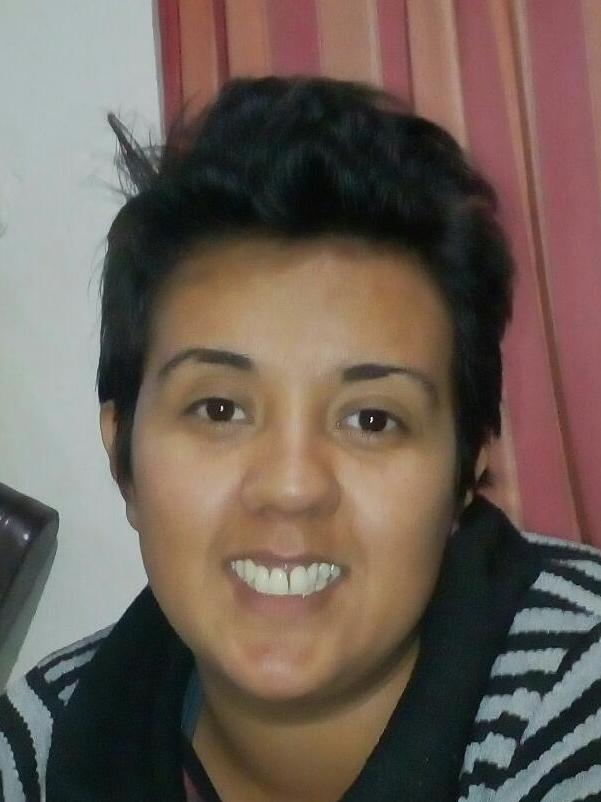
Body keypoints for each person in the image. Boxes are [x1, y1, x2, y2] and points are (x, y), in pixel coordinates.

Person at [1, 74, 600, 802]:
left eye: (372, 420)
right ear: (123, 456)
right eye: (219, 409)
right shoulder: (40, 743)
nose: (291, 487)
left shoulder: (577, 693)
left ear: (463, 476)